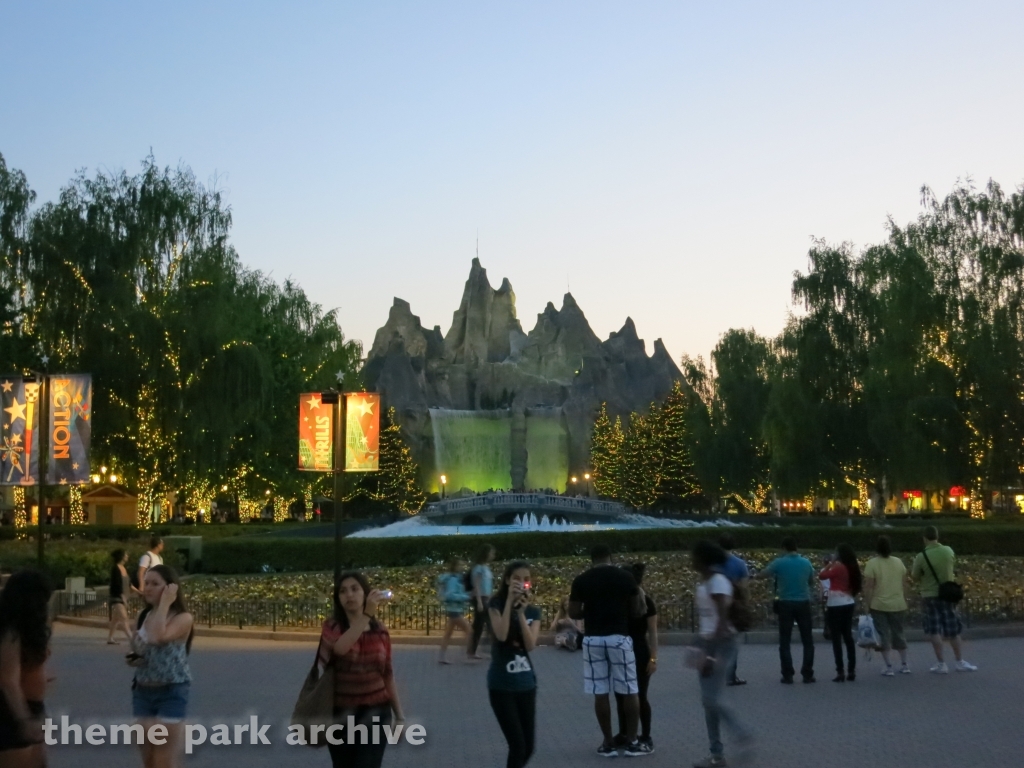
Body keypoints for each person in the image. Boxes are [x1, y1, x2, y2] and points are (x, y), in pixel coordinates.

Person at [318, 571, 405, 768]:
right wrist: (366, 615)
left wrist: (399, 716)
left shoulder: (380, 630)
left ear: (365, 593)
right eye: (343, 591)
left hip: (376, 712)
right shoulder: (332, 627)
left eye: (355, 589)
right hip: (341, 714)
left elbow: (387, 673)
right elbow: (340, 649)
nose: (349, 595)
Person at [568, 544, 647, 757]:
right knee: (629, 689)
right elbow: (637, 609)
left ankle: (608, 743)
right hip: (619, 637)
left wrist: (590, 612)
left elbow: (573, 612)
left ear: (592, 559)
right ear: (610, 557)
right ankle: (632, 741)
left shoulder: (582, 580)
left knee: (600, 691)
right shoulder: (625, 577)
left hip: (593, 639)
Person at [690, 541, 753, 768]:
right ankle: (716, 754)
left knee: (711, 698)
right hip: (708, 641)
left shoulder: (717, 582)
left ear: (703, 560)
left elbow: (722, 623)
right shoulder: (707, 581)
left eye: (694, 556)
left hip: (720, 643)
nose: (691, 560)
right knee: (708, 701)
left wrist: (709, 654)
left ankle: (740, 733)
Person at [130, 564, 194, 768]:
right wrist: (134, 658)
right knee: (149, 761)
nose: (148, 588)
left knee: (162, 761)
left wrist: (165, 603)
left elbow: (158, 637)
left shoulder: (183, 618)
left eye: (155, 584)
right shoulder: (143, 616)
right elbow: (139, 649)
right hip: (143, 692)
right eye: (146, 583)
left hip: (171, 692)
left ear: (169, 588)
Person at [487, 561, 542, 768]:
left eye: (526, 579)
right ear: (507, 580)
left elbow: (530, 645)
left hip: (526, 684)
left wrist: (521, 612)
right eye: (516, 578)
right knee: (517, 746)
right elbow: (501, 635)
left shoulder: (533, 612)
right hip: (502, 685)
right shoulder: (496, 605)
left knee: (528, 747)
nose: (521, 583)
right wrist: (510, 602)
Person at [0, 570, 53, 768]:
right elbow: (8, 681)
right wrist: (24, 719)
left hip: (33, 708)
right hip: (13, 712)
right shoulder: (11, 633)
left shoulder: (25, 630)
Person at [910, 526, 977, 673]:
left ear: (924, 538)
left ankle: (941, 663)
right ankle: (959, 661)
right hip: (947, 595)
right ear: (937, 536)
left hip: (929, 596)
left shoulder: (921, 556)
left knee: (934, 630)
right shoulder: (948, 551)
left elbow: (915, 576)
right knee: (953, 630)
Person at [756, 537, 817, 683]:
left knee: (785, 640)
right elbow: (811, 581)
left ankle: (787, 674)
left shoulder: (779, 562)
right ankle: (807, 673)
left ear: (784, 548)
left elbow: (763, 574)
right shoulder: (806, 562)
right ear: (796, 548)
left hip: (785, 603)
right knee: (807, 640)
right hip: (803, 602)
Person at [615, 563, 657, 754]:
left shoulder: (644, 601)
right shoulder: (622, 601)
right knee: (623, 694)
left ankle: (645, 735)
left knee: (637, 695)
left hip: (635, 650)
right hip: (633, 649)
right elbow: (653, 634)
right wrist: (653, 657)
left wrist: (653, 658)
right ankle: (626, 733)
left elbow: (653, 633)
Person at [862, 536, 910, 675]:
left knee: (883, 635)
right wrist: (905, 598)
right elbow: (904, 583)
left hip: (879, 604)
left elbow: (869, 587)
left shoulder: (872, 563)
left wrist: (867, 604)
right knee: (899, 633)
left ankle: (889, 666)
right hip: (898, 603)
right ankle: (904, 664)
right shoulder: (898, 562)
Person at [818, 544, 862, 682]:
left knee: (836, 638)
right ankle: (851, 670)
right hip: (848, 602)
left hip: (835, 603)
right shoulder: (852, 567)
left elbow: (822, 575)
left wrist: (829, 564)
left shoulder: (837, 567)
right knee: (848, 636)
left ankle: (840, 671)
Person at [718, 535, 749, 686]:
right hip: (734, 604)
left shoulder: (713, 563)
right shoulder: (740, 564)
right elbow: (744, 587)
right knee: (733, 640)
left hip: (717, 603)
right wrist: (745, 603)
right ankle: (731, 675)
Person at [436, 557, 472, 664]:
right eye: (460, 565)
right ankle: (466, 654)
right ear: (455, 566)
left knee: (448, 634)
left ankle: (442, 657)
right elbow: (450, 595)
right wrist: (466, 597)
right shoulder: (453, 579)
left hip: (453, 609)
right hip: (454, 609)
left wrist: (465, 595)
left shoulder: (455, 578)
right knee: (469, 631)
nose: (462, 567)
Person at [468, 545, 496, 659]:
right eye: (491, 553)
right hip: (480, 598)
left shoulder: (486, 568)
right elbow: (477, 585)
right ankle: (488, 649)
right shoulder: (478, 568)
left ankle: (472, 650)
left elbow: (488, 585)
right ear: (486, 554)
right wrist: (479, 601)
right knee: (485, 624)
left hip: (486, 598)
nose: (493, 555)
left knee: (480, 625)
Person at [107, 549, 132, 645]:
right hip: (117, 597)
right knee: (124, 617)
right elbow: (116, 585)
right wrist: (123, 597)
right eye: (126, 555)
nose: (127, 556)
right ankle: (132, 639)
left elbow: (129, 583)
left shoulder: (124, 568)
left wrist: (139, 591)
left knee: (115, 619)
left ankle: (110, 638)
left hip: (123, 596)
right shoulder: (115, 569)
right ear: (121, 556)